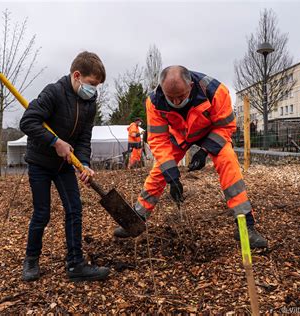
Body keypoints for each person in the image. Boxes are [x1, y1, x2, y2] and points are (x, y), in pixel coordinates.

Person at [113, 66, 268, 249]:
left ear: (191, 85)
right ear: (163, 90)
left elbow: (225, 126)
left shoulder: (215, 91)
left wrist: (204, 151)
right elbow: (158, 140)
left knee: (228, 162)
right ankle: (135, 220)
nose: (176, 101)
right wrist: (172, 175)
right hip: (179, 135)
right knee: (159, 172)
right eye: (171, 98)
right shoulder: (154, 101)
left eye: (181, 96)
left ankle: (246, 226)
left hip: (211, 132)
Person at [19, 51, 110, 282]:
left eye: (97, 86)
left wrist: (84, 163)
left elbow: (84, 137)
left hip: (63, 166)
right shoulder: (54, 92)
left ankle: (75, 264)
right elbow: (28, 121)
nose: (94, 90)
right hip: (40, 162)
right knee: (42, 213)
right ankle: (31, 260)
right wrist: (55, 141)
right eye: (92, 84)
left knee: (74, 209)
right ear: (77, 75)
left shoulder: (90, 102)